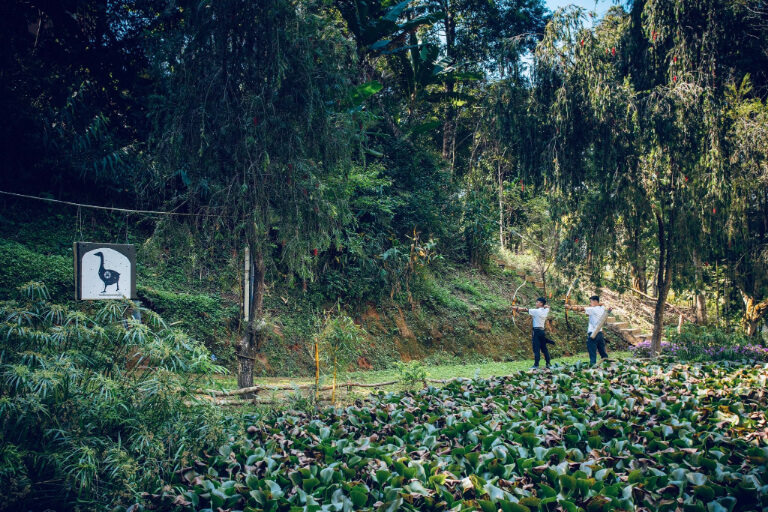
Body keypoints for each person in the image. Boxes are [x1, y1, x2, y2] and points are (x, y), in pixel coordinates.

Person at [566, 295, 611, 365]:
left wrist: (570, 307)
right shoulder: (602, 308)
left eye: (591, 302)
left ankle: (593, 364)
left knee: (591, 349)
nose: (590, 303)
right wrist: (597, 304)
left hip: (593, 334)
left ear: (595, 302)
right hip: (600, 333)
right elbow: (602, 304)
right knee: (602, 350)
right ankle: (607, 363)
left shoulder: (592, 310)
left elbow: (581, 309)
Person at [512, 297, 555, 369]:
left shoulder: (536, 311)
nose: (536, 303)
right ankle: (548, 363)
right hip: (542, 331)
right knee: (544, 348)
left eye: (538, 302)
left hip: (536, 331)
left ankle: (536, 365)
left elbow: (525, 309)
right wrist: (543, 306)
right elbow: (548, 307)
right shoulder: (545, 311)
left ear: (541, 303)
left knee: (536, 348)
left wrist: (514, 308)